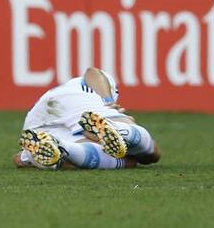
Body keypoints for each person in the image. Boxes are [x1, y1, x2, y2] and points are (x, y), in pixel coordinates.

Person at [14, 67, 162, 171]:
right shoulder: (85, 89)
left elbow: (18, 159)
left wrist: (26, 158)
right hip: (75, 103)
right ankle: (123, 131)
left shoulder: (56, 92)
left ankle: (63, 147)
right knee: (153, 153)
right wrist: (108, 100)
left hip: (38, 123)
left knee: (117, 160)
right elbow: (92, 71)